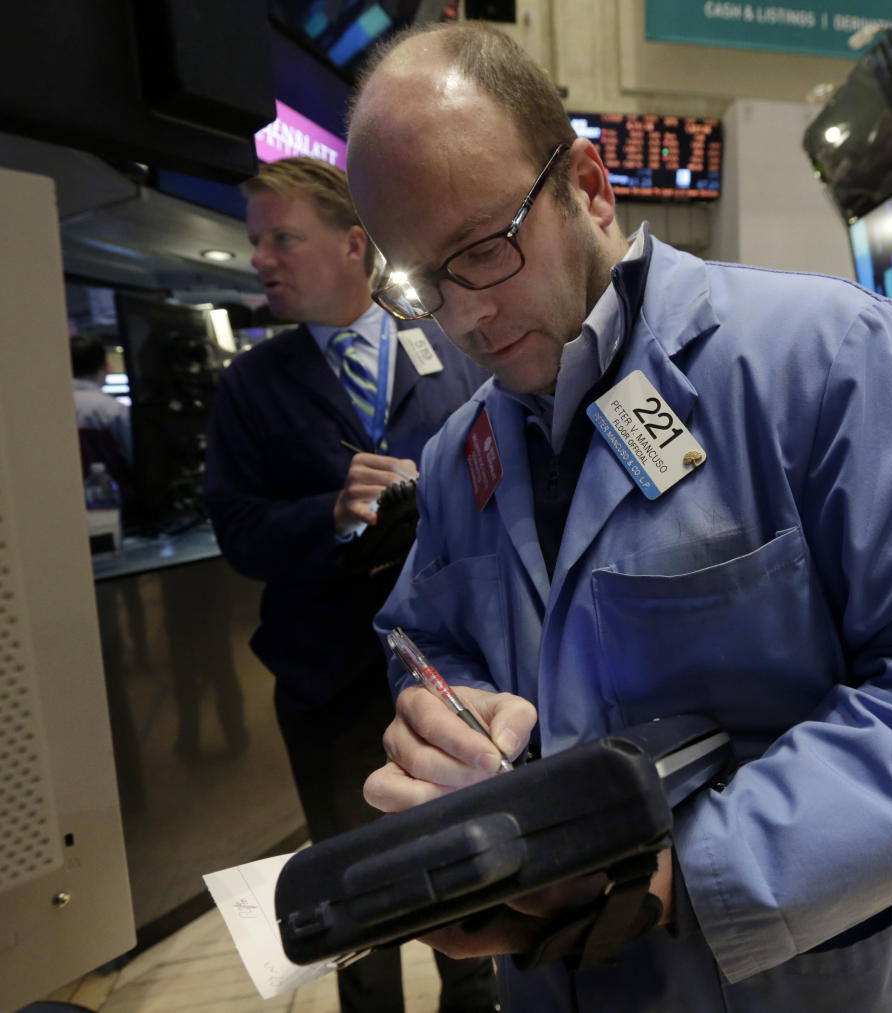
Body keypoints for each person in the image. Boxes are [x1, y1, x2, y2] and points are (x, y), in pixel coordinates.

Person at [344, 21, 892, 1013]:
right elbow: (428, 639)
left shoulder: (837, 362)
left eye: (484, 252)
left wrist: (672, 875)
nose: (466, 319)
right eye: (420, 282)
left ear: (589, 186)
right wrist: (451, 725)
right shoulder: (463, 458)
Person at [201, 156, 497, 1013]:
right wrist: (330, 512)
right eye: (256, 241)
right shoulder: (250, 388)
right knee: (356, 896)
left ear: (353, 244)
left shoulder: (451, 350)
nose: (262, 258)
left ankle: (473, 995)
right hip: (328, 683)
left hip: (454, 669)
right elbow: (237, 532)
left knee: (468, 871)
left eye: (283, 238)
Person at [70, 334, 133, 469]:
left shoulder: (51, 407)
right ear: (105, 366)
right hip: (112, 488)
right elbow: (136, 458)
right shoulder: (115, 410)